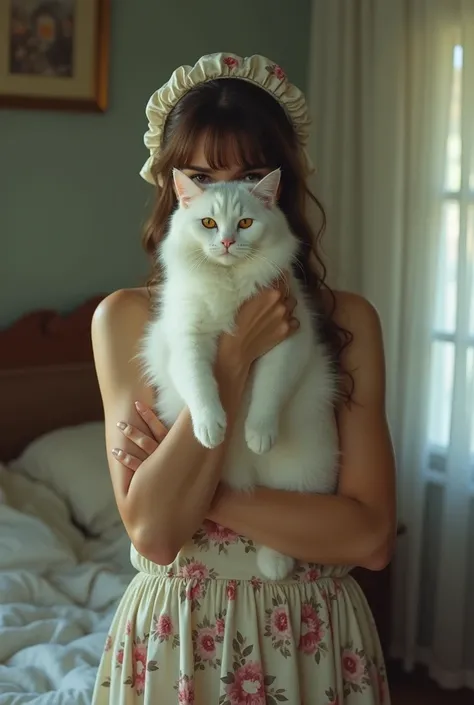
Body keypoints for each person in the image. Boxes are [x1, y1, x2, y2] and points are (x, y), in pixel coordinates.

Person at [91, 52, 396, 705]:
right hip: (180, 638)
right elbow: (154, 532)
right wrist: (232, 358)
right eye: (202, 175)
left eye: (252, 174)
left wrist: (196, 489)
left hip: (313, 634)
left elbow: (369, 537)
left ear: (278, 188)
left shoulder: (349, 321)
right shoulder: (125, 319)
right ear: (178, 190)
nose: (227, 199)